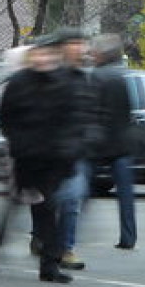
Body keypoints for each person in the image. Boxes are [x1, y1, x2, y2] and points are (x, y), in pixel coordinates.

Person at [0, 36, 82, 283]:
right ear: (32, 57)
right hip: (26, 156)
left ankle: (49, 264)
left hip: (51, 157)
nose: (44, 59)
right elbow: (7, 118)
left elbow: (69, 118)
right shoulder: (19, 82)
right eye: (39, 54)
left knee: (46, 209)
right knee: (20, 204)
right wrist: (18, 143)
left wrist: (68, 149)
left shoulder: (60, 82)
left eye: (48, 55)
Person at [89, 34, 137, 251]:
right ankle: (128, 236)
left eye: (94, 52)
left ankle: (70, 235)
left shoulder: (96, 77)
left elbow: (92, 110)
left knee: (82, 190)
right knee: (125, 195)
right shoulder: (124, 77)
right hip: (122, 144)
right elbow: (129, 110)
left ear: (101, 55)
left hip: (99, 144)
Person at [53, 29, 95, 271]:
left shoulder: (83, 78)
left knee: (72, 199)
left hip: (76, 150)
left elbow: (89, 112)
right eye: (74, 43)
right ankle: (45, 239)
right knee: (51, 200)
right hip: (53, 149)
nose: (79, 48)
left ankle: (66, 248)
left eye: (82, 43)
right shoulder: (54, 76)